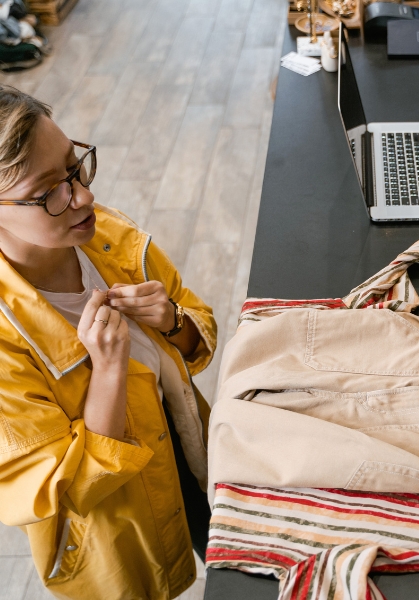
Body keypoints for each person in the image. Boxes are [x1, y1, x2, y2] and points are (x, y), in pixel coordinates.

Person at [0, 86, 216, 599]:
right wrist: (111, 369)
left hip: (190, 453)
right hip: (116, 534)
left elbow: (197, 334)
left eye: (76, 168)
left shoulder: (108, 236)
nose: (84, 197)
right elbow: (65, 489)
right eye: (49, 190)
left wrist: (171, 319)